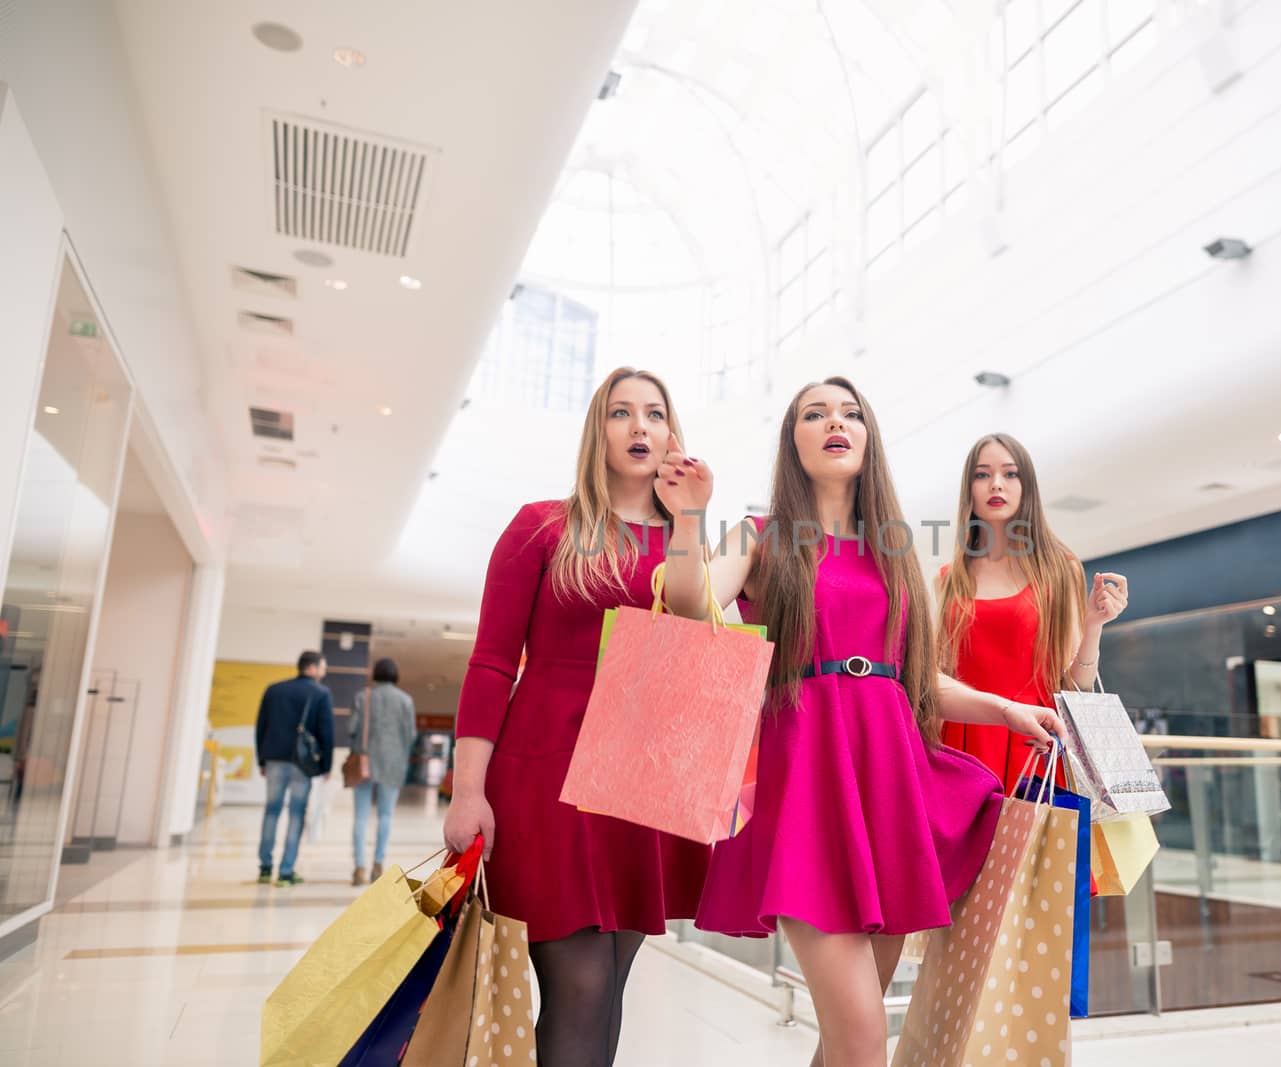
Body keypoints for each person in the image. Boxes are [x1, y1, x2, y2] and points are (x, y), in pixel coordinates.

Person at [658, 377, 1070, 1067]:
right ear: (793, 440)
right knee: (862, 1041)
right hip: (807, 792)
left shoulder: (895, 552)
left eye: (849, 413)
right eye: (813, 414)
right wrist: (689, 520)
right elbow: (693, 606)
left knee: (850, 1039)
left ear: (868, 437)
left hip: (889, 788)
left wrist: (1003, 708)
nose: (834, 422)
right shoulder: (761, 538)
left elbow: (915, 681)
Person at [442, 366, 712, 1066]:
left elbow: (695, 623)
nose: (640, 426)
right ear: (598, 432)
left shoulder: (684, 543)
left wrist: (688, 516)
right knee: (581, 984)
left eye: (655, 413)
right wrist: (467, 789)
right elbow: (493, 662)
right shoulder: (541, 527)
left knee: (606, 989)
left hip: (642, 784)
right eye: (621, 413)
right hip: (547, 775)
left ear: (672, 432)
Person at [936, 433, 1130, 787]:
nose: (996, 484)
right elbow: (942, 674)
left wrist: (1094, 625)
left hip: (1035, 741)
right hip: (964, 741)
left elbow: (1075, 683)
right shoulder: (949, 578)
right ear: (970, 490)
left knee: (1034, 841)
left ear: (1027, 486)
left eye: (1010, 474)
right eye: (982, 475)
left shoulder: (1058, 568)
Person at [254, 650, 334, 887]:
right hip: (303, 763)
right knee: (296, 814)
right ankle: (286, 871)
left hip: (274, 759)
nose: (324, 672)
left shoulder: (274, 689)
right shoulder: (321, 693)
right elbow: (326, 732)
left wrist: (262, 759)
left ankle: (265, 868)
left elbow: (261, 726)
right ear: (311, 668)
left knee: (271, 811)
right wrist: (326, 765)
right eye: (322, 667)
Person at [348, 656, 418, 886]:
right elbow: (411, 735)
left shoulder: (363, 696)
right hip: (393, 764)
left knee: (360, 816)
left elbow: (352, 728)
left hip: (365, 762)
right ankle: (378, 864)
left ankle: (359, 867)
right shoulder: (405, 701)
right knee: (386, 816)